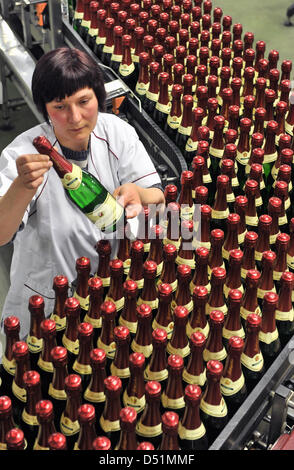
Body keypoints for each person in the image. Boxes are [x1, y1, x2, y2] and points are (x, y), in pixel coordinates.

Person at [0, 47, 165, 339]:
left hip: (113, 292)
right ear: (45, 108)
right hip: (48, 306)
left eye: (84, 101)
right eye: (60, 106)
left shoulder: (117, 132)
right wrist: (22, 187)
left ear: (98, 98)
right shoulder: (23, 154)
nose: (75, 117)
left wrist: (138, 193)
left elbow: (158, 196)